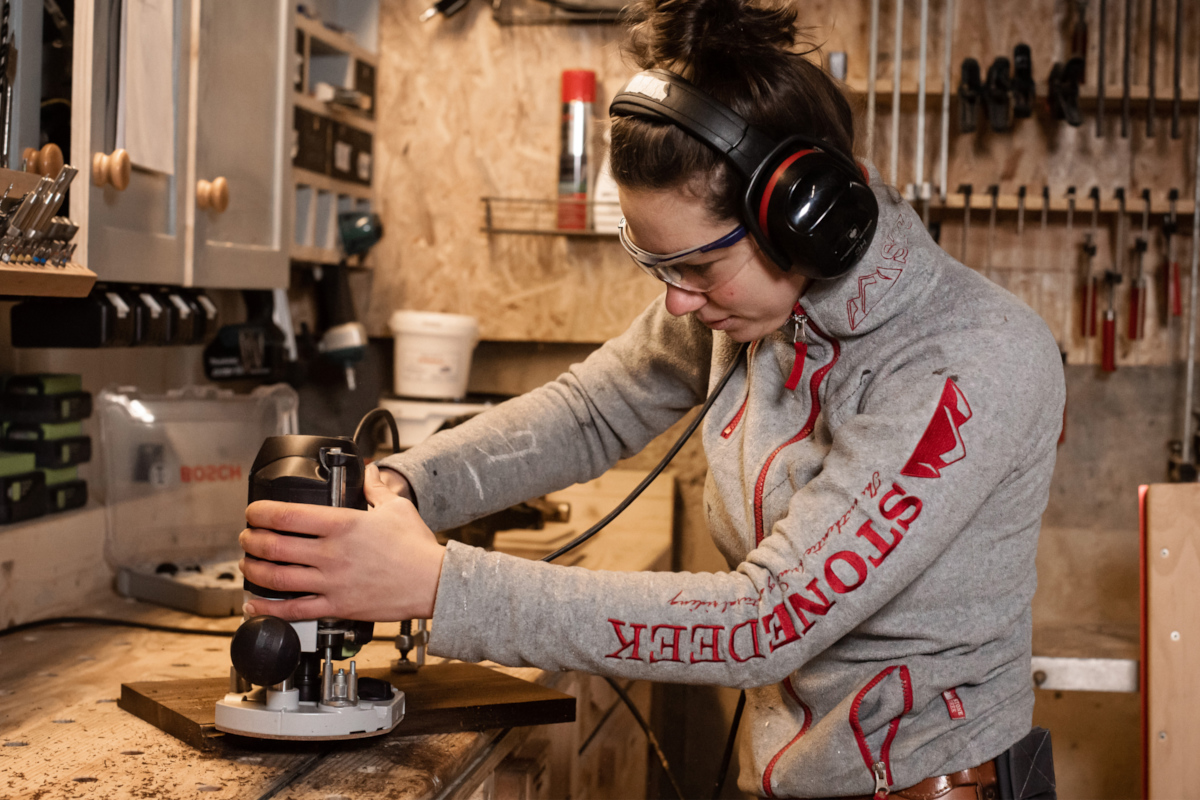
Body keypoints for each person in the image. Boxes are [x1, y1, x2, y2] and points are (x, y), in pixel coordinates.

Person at [239, 0, 1065, 796]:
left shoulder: (968, 362)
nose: (677, 303)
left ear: (805, 217)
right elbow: (591, 412)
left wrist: (435, 584)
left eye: (698, 268)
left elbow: (762, 621)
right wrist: (405, 487)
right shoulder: (746, 304)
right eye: (658, 265)